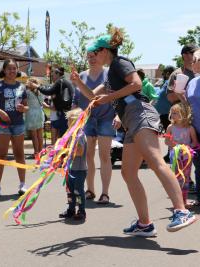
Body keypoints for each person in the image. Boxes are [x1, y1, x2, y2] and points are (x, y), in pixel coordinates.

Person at [71, 29, 196, 236]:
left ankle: (181, 211)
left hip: (140, 113)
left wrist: (110, 98)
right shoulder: (111, 72)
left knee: (156, 160)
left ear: (105, 51)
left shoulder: (120, 62)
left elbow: (136, 83)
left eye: (95, 53)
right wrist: (78, 81)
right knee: (128, 173)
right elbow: (92, 96)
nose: (92, 57)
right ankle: (145, 223)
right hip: (130, 119)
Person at [73, 49, 117, 204]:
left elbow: (112, 96)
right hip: (87, 119)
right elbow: (76, 99)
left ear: (101, 56)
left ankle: (105, 193)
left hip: (106, 118)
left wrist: (118, 115)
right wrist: (72, 118)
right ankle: (90, 189)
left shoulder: (109, 73)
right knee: (88, 156)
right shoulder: (82, 75)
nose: (91, 59)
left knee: (105, 156)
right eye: (89, 56)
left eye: (95, 56)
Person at [0, 59, 29, 197]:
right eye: (9, 68)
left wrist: (23, 108)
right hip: (3, 126)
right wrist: (0, 112)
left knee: (19, 154)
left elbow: (26, 106)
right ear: (4, 70)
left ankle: (22, 184)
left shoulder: (21, 87)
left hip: (18, 124)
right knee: (1, 155)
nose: (12, 71)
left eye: (14, 68)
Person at [165, 103, 198, 208]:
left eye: (176, 113)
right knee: (176, 178)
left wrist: (186, 147)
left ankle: (184, 201)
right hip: (175, 156)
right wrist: (176, 146)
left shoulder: (189, 128)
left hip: (186, 157)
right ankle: (177, 202)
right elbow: (166, 141)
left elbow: (195, 142)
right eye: (172, 113)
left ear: (183, 114)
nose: (173, 115)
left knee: (185, 179)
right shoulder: (170, 127)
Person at [29, 66, 74, 138]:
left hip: (63, 114)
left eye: (52, 75)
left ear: (58, 74)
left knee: (63, 138)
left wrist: (36, 86)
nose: (51, 77)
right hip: (67, 112)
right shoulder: (67, 82)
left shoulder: (59, 81)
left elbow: (48, 92)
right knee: (64, 137)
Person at [59, 108, 88, 221]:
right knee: (70, 191)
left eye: (69, 120)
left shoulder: (79, 135)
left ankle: (81, 210)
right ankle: (71, 209)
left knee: (78, 192)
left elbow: (79, 152)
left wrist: (66, 151)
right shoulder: (71, 135)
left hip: (79, 170)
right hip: (70, 169)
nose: (67, 123)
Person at [183, 48, 200, 205]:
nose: (191, 63)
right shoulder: (193, 82)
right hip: (195, 130)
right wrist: (181, 95)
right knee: (198, 164)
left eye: (194, 60)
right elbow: (187, 105)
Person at [25, 77, 45, 157]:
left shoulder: (28, 92)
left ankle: (36, 153)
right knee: (40, 135)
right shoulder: (40, 92)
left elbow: (25, 103)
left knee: (34, 136)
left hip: (31, 113)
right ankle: (41, 152)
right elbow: (42, 102)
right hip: (40, 113)